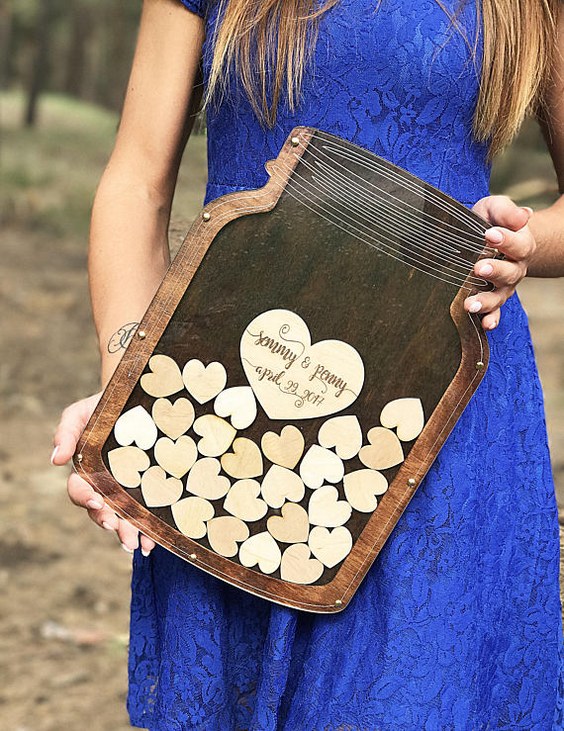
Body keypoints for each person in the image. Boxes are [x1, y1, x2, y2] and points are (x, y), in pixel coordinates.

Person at [51, 0, 564, 728]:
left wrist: (527, 243)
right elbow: (136, 179)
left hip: (442, 432)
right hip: (226, 411)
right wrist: (126, 381)